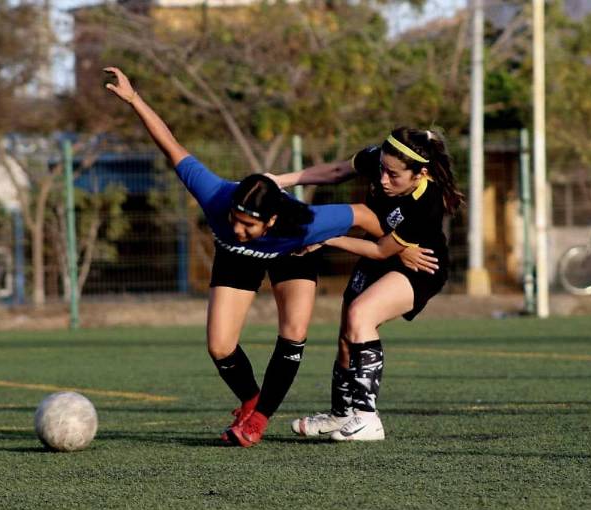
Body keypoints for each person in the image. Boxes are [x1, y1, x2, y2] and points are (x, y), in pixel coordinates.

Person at [103, 67, 436, 447]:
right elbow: (171, 145)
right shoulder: (214, 196)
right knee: (220, 346)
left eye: (249, 224)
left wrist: (400, 246)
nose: (239, 226)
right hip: (236, 258)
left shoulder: (304, 224)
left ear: (273, 219)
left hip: (289, 253)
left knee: (293, 333)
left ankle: (258, 419)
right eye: (235, 219)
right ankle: (250, 398)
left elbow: (362, 215)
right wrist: (134, 100)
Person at [270, 127, 463, 441]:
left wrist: (327, 236)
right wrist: (280, 180)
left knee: (361, 315)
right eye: (382, 170)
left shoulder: (428, 201)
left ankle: (368, 418)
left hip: (420, 264)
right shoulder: (380, 159)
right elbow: (335, 171)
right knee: (347, 333)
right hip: (383, 252)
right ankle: (340, 415)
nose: (383, 179)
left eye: (394, 175)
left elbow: (381, 249)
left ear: (420, 173)